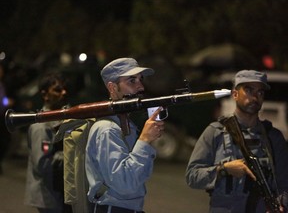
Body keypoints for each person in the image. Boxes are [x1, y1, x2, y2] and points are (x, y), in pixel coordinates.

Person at [186, 70, 288, 213]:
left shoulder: (273, 137)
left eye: (260, 92)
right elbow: (192, 176)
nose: (254, 97)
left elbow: (284, 183)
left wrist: (281, 205)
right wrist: (224, 169)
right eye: (248, 90)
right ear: (235, 94)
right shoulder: (216, 132)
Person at [85, 57, 165, 213]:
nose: (140, 87)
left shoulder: (125, 124)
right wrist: (144, 140)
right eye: (131, 81)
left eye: (140, 80)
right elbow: (125, 184)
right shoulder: (107, 129)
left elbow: (138, 178)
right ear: (112, 88)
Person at [24, 72, 72, 213]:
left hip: (56, 191)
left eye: (64, 88)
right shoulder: (41, 127)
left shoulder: (57, 120)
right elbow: (43, 164)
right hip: (49, 195)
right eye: (57, 90)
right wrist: (70, 156)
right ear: (45, 95)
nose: (64, 92)